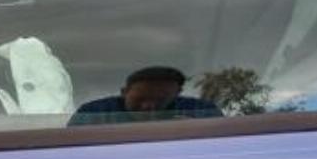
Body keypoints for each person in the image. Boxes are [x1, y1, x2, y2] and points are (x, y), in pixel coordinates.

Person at [68, 66, 222, 126]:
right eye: (140, 99)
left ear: (177, 94)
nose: (148, 106)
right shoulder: (92, 114)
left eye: (161, 100)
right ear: (124, 92)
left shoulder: (202, 112)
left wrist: (196, 130)